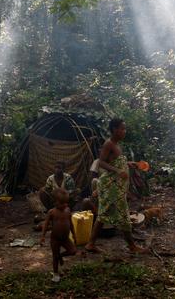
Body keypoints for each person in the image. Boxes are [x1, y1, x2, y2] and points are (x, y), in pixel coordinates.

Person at [84, 118, 147, 254]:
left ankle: (90, 244)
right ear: (114, 129)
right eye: (122, 129)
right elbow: (101, 162)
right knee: (123, 215)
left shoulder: (117, 145)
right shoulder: (109, 144)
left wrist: (130, 164)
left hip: (116, 187)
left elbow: (114, 162)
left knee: (102, 215)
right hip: (110, 186)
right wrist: (118, 171)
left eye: (125, 128)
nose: (125, 131)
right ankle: (132, 246)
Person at [40, 188, 77, 282]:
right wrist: (43, 236)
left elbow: (71, 224)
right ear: (55, 202)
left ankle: (60, 256)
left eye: (66, 202)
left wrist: (74, 235)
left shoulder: (68, 210)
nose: (65, 205)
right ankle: (55, 274)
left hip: (65, 238)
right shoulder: (52, 212)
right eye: (62, 203)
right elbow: (46, 224)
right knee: (54, 257)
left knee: (73, 251)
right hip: (55, 239)